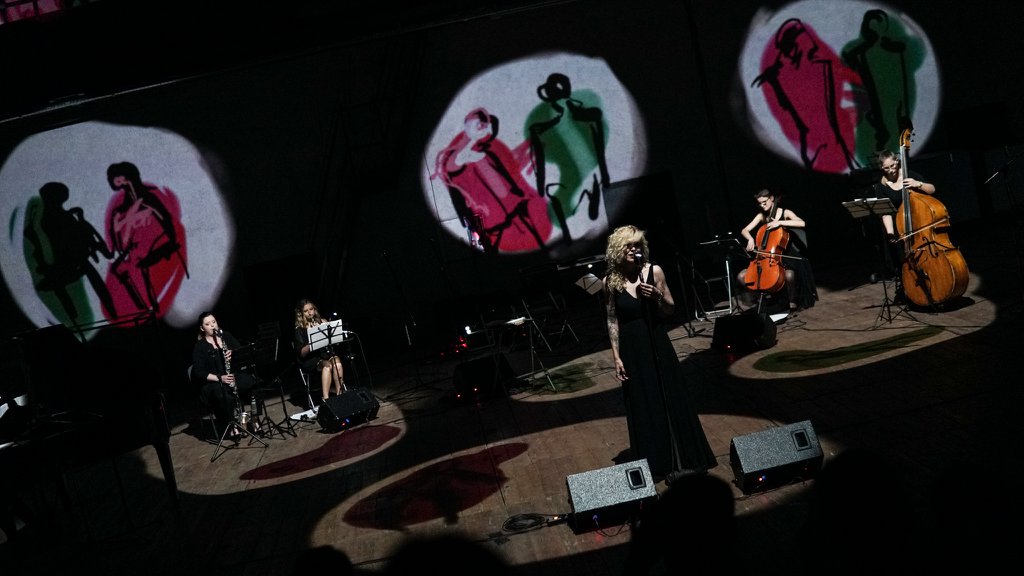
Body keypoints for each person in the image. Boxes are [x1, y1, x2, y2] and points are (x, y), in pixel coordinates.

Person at [603, 225, 717, 482]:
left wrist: (656, 296)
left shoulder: (653, 271)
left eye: (637, 244)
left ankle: (684, 456)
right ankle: (656, 461)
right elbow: (611, 319)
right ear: (618, 249)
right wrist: (616, 356)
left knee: (670, 395)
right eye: (628, 245)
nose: (633, 249)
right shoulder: (610, 281)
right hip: (631, 349)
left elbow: (670, 309)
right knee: (644, 401)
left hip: (656, 341)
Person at [104, 161, 188, 316]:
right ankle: (143, 305)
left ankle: (149, 306)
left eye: (119, 179)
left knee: (143, 267)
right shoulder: (125, 205)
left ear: (127, 177)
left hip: (157, 245)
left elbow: (166, 220)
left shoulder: (147, 198)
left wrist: (170, 242)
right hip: (136, 248)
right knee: (120, 268)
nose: (118, 183)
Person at [737, 187, 817, 313]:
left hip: (784, 254)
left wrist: (779, 222)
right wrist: (750, 239)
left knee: (789, 275)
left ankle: (792, 301)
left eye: (765, 202)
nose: (762, 206)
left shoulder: (785, 212)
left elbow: (801, 223)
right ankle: (762, 299)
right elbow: (744, 230)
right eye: (760, 204)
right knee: (742, 276)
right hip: (766, 255)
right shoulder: (761, 216)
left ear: (772, 198)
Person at [191, 311, 258, 436]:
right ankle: (231, 425)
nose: (212, 325)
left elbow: (242, 354)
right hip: (214, 382)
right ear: (202, 328)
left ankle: (254, 419)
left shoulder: (226, 336)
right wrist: (220, 378)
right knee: (223, 396)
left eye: (214, 322)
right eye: (207, 324)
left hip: (232, 376)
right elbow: (199, 372)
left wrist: (234, 354)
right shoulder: (200, 346)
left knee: (253, 383)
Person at [871, 149, 936, 277]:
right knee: (903, 260)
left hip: (918, 221)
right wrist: (890, 233)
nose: (891, 170)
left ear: (897, 161)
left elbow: (932, 190)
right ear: (882, 168)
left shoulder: (909, 175)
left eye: (892, 165)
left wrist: (918, 184)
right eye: (886, 168)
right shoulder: (881, 186)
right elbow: (886, 213)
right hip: (899, 227)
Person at [293, 299, 345, 404]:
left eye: (311, 309)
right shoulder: (299, 330)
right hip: (311, 359)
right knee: (327, 365)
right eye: (306, 311)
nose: (309, 313)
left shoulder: (322, 321)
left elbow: (334, 342)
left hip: (325, 353)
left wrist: (327, 329)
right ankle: (326, 400)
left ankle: (340, 395)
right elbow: (302, 353)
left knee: (337, 364)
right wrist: (314, 339)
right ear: (301, 313)